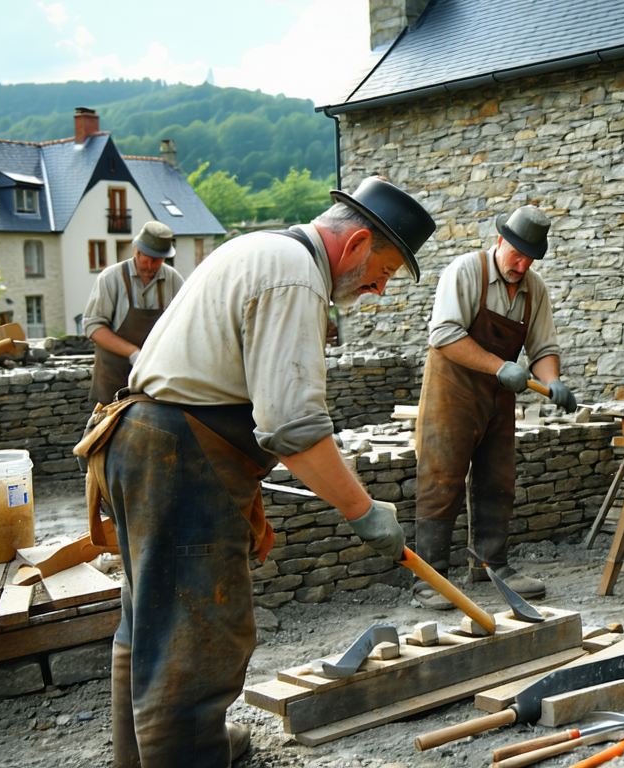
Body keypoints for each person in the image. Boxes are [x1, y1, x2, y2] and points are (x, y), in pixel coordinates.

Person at [76, 178, 435, 768]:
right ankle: (188, 753)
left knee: (150, 621)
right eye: (385, 270)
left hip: (148, 442)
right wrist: (363, 511)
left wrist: (267, 496)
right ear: (358, 242)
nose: (378, 288)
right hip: (180, 458)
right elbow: (292, 426)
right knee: (197, 638)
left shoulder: (261, 249)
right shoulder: (295, 276)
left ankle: (147, 756)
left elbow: (245, 399)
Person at [412, 205, 577, 610]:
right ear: (500, 241)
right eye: (516, 254)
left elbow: (543, 348)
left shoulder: (533, 288)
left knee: (497, 480)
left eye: (529, 258)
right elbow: (444, 334)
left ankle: (491, 564)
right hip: (452, 392)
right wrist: (500, 365)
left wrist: (551, 379)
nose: (521, 264)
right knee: (441, 479)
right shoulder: (465, 272)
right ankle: (428, 579)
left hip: (499, 398)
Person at [83, 221, 184, 405]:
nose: (154, 265)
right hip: (113, 374)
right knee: (108, 430)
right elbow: (93, 327)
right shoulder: (110, 278)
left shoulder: (173, 280)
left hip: (154, 375)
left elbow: (183, 324)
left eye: (160, 259)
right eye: (150, 259)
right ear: (137, 251)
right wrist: (133, 353)